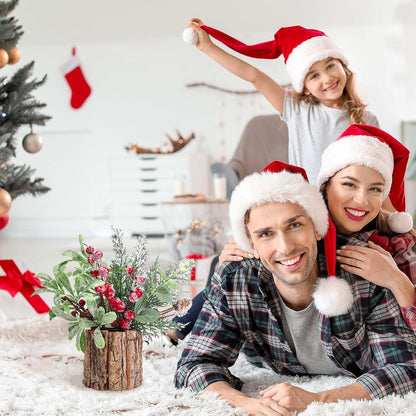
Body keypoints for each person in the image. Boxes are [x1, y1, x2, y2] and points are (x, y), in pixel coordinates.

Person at [174, 161, 416, 415]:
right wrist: (247, 404)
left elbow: (406, 367)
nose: (286, 247)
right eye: (266, 234)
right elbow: (193, 365)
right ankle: (170, 330)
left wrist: (317, 398)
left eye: (295, 225)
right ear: (251, 245)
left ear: (318, 229)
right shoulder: (235, 279)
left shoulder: (364, 270)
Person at [168, 124, 415, 343]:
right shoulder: (299, 223)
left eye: (375, 189)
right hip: (280, 336)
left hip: (355, 346)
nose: (361, 200)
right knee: (225, 263)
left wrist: (397, 281)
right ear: (326, 184)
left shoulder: (397, 243)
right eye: (349, 184)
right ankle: (177, 328)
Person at [185, 19, 379, 185]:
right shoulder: (297, 110)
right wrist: (209, 48)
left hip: (350, 211)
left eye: (330, 66)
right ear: (305, 86)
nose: (327, 78)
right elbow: (254, 76)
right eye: (314, 76)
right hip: (308, 208)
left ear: (343, 67)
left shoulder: (368, 120)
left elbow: (378, 174)